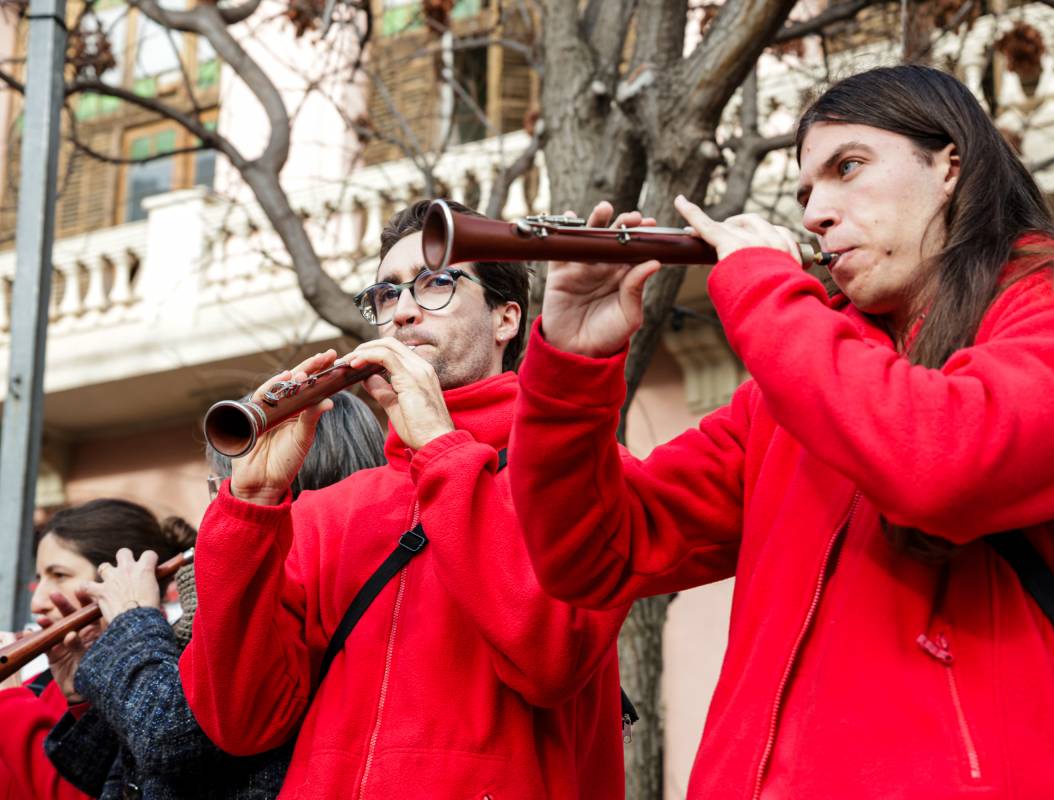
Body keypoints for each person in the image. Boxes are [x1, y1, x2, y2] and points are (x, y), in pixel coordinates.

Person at [506, 64, 1054, 798]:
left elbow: (936, 463)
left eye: (849, 168)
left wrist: (763, 288)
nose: (816, 214)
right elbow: (594, 553)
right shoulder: (794, 390)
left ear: (949, 165)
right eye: (805, 193)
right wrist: (574, 366)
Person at [179, 200, 631, 799]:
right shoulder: (325, 513)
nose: (405, 312)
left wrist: (440, 450)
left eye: (437, 282)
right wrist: (251, 508)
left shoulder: (583, 473)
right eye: (388, 295)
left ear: (506, 320)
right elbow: (242, 721)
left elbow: (550, 656)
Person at [37, 390, 387, 799]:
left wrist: (132, 623)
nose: (214, 504)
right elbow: (127, 774)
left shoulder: (283, 593)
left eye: (221, 484)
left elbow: (175, 744)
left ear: (282, 474)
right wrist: (86, 687)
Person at [0, 499, 192, 800]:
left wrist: (7, 701)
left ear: (119, 579)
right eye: (41, 578)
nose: (38, 602)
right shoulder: (44, 683)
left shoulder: (170, 682)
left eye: (60, 575)